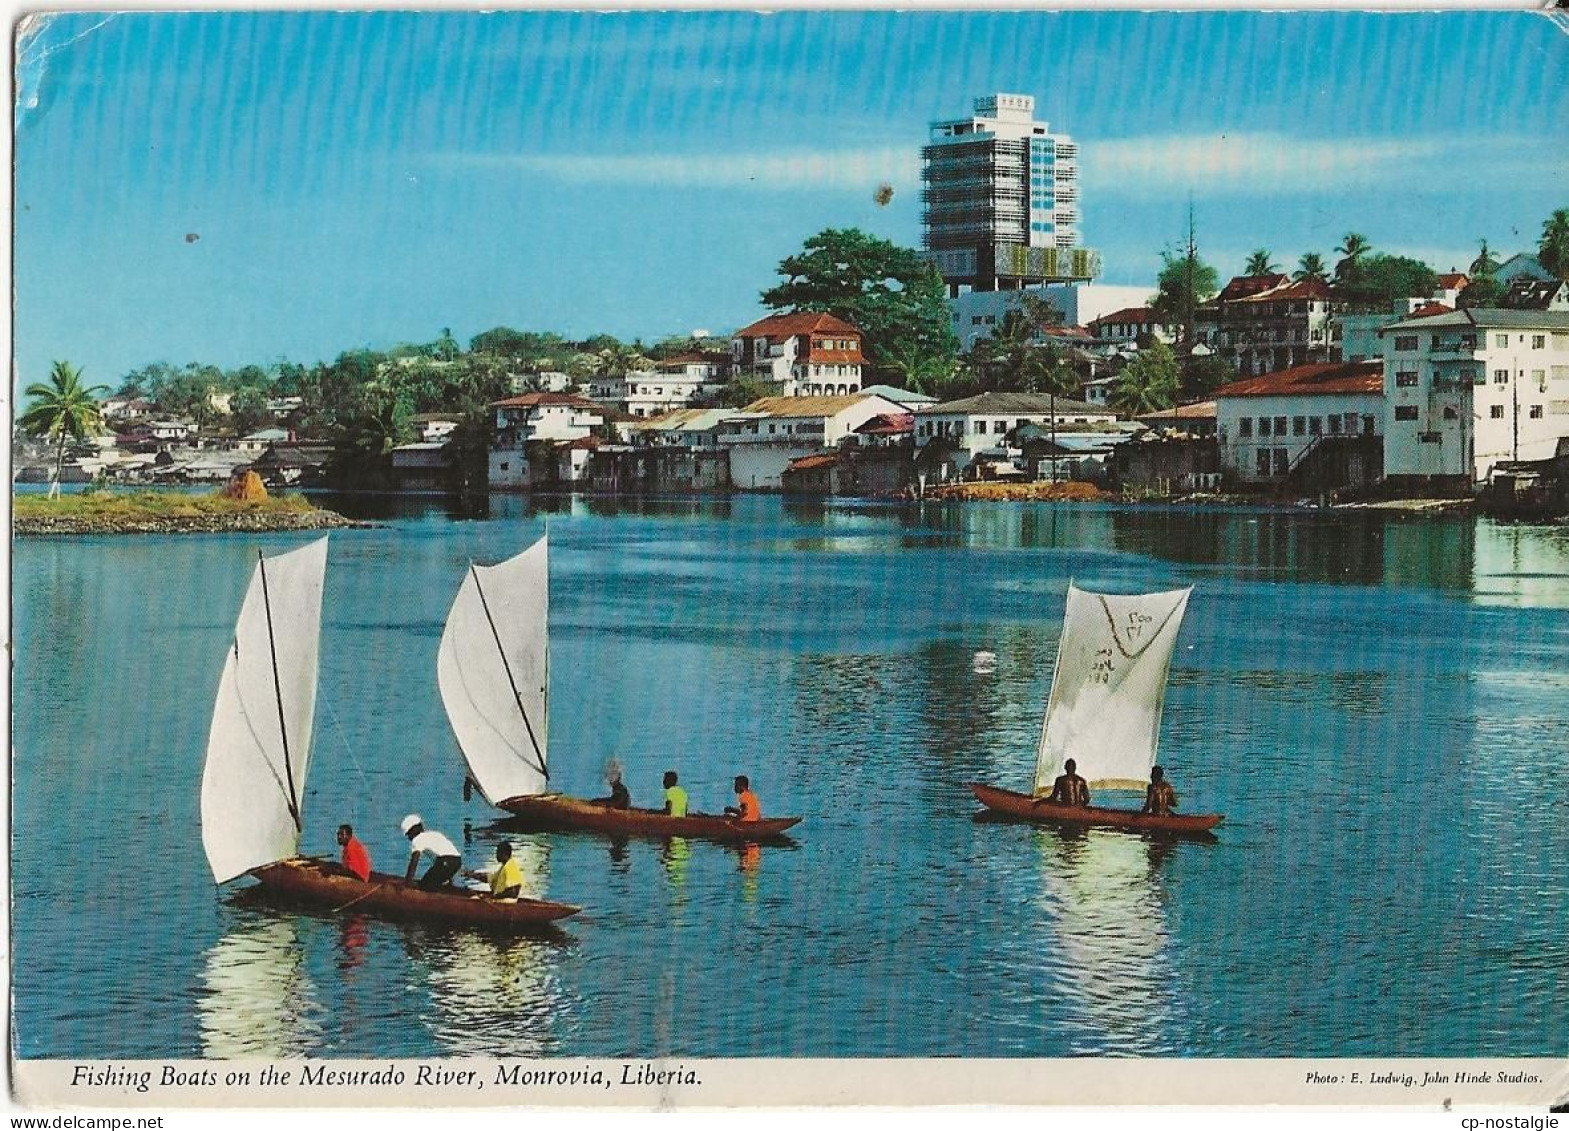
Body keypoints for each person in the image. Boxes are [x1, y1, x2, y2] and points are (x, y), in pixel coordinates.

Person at [401, 814, 461, 890]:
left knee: (424, 886)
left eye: (408, 835)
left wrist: (407, 883)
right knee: (435, 881)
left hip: (445, 861)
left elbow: (414, 862)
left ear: (412, 830)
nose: (409, 838)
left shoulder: (417, 840)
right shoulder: (434, 834)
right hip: (457, 861)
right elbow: (447, 855)